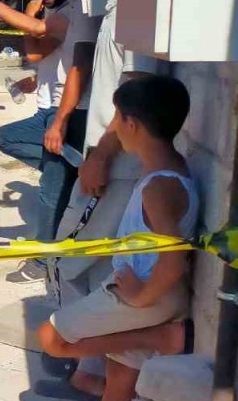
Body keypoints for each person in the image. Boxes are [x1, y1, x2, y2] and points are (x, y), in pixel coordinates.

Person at [36, 75, 198, 401]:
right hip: (145, 289)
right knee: (118, 385)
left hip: (143, 295)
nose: (114, 130)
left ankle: (161, 338)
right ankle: (152, 339)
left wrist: (140, 297)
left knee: (51, 339)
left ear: (132, 123)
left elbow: (175, 259)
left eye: (116, 119)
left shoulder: (159, 187)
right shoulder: (171, 167)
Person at [54, 0, 164, 396]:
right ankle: (91, 374)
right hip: (114, 167)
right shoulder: (121, 10)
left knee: (64, 259)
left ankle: (88, 370)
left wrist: (100, 156)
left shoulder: (133, 16)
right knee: (100, 270)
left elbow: (134, 99)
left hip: (115, 169)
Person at [0, 0, 100, 282]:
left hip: (64, 111)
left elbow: (53, 51)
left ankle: (43, 262)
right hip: (52, 107)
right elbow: (43, 55)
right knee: (18, 148)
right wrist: (36, 80)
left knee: (50, 190)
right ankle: (71, 171)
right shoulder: (67, 9)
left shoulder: (76, 10)